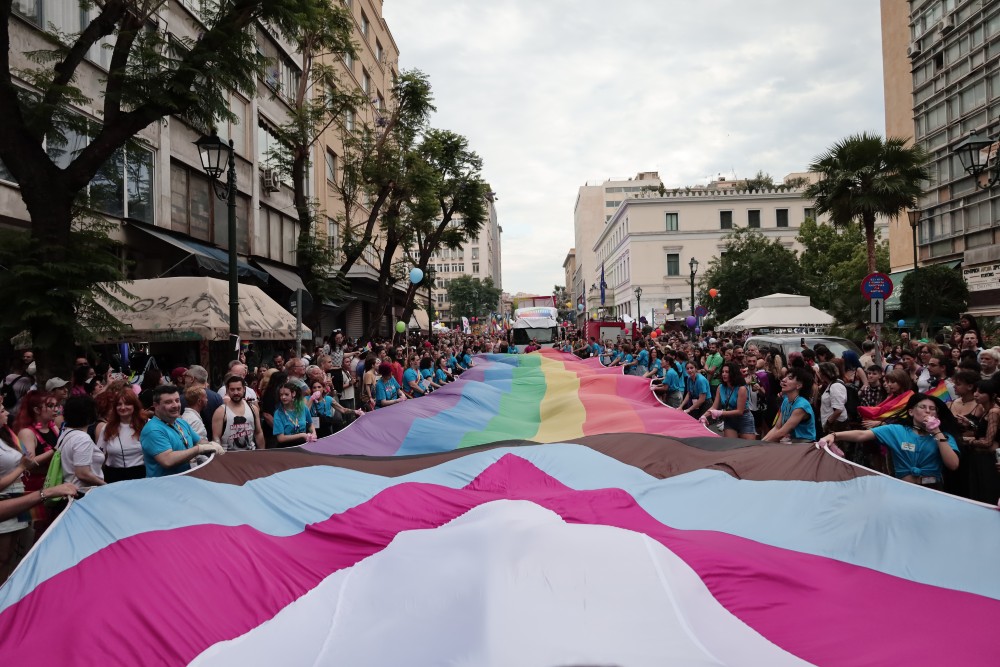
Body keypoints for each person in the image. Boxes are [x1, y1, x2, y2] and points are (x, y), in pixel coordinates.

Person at [818, 394, 960, 488]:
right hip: (903, 488)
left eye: (932, 409)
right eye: (922, 407)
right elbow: (861, 435)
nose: (928, 411)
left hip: (933, 489)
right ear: (911, 412)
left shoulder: (943, 435)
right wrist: (834, 435)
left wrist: (936, 432)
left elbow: (953, 464)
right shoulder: (897, 430)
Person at [140, 385, 223, 477]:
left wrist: (212, 445)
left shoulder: (181, 422)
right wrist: (199, 449)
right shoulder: (153, 430)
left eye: (177, 400)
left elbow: (199, 441)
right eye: (168, 402)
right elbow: (168, 460)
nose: (175, 405)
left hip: (185, 482)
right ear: (156, 406)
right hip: (163, 487)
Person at [0, 403, 33, 582]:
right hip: (5, 500)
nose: (6, 413)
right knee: (2, 557)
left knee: (12, 555)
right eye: (2, 410)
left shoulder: (6, 435)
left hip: (18, 494)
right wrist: (21, 466)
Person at [94, 389, 147, 482]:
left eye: (127, 404)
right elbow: (99, 456)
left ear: (135, 405)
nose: (123, 407)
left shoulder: (146, 424)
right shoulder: (107, 428)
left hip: (141, 475)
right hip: (114, 476)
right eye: (119, 404)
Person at [961, 379, 1000, 504]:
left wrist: (969, 441)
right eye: (976, 391)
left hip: (988, 459)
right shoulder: (985, 410)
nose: (976, 394)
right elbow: (983, 434)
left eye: (981, 392)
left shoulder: (994, 412)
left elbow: (988, 442)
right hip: (979, 458)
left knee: (986, 495)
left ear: (992, 395)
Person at [59, 395, 106, 490]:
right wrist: (105, 485)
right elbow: (82, 473)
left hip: (68, 488)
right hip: (82, 492)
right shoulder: (82, 439)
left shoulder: (66, 433)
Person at [762, 367, 816, 443]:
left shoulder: (802, 406)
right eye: (785, 377)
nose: (783, 380)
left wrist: (760, 445)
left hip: (804, 445)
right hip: (791, 443)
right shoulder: (786, 400)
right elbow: (777, 428)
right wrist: (760, 443)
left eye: (790, 378)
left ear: (799, 385)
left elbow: (782, 433)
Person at [704, 362, 756, 440]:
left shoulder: (741, 388)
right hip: (729, 420)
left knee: (748, 448)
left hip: (744, 419)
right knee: (731, 447)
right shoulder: (720, 387)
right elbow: (714, 407)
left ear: (733, 373)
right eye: (722, 372)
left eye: (727, 372)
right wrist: (704, 416)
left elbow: (739, 411)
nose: (724, 374)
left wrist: (720, 412)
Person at [213, 376, 264, 451]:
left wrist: (262, 453)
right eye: (232, 389)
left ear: (244, 389)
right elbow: (216, 437)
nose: (236, 392)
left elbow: (258, 433)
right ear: (227, 391)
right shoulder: (220, 412)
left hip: (250, 454)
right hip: (228, 456)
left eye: (238, 389)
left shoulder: (253, 409)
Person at [272, 382, 315, 446]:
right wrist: (301, 435)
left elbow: (310, 424)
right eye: (281, 395)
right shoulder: (278, 413)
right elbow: (281, 438)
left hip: (304, 444)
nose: (283, 397)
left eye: (286, 394)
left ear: (293, 394)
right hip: (287, 447)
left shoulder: (303, 408)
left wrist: (314, 433)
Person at [817, 362, 849, 436]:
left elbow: (838, 410)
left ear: (825, 373)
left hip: (836, 426)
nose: (818, 373)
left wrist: (828, 423)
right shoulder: (830, 384)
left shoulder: (835, 386)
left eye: (820, 371)